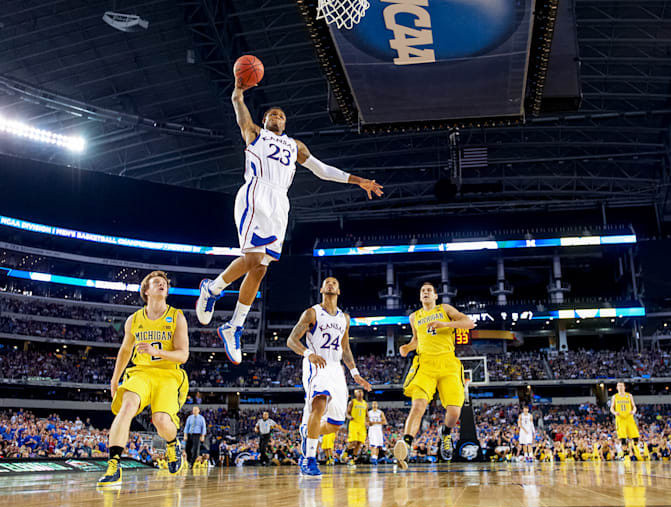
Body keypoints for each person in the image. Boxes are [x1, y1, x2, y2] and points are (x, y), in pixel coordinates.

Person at [194, 84, 384, 365]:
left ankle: (234, 325)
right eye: (271, 113)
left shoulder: (295, 146)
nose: (276, 116)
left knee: (260, 268)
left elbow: (322, 170)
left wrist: (359, 180)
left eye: (280, 115)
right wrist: (238, 89)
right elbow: (238, 106)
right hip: (257, 192)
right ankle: (212, 288)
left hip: (280, 203)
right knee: (254, 257)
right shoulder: (254, 133)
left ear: (285, 122)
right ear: (265, 120)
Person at [99, 271, 189, 486]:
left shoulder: (176, 316)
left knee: (160, 420)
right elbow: (124, 350)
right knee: (126, 408)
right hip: (141, 372)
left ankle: (172, 443)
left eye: (165, 283)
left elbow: (183, 355)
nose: (162, 285)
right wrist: (114, 379)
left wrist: (155, 352)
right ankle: (113, 465)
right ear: (146, 291)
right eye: (157, 282)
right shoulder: (134, 319)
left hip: (169, 374)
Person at [285, 276, 372, 477]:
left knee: (335, 424)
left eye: (335, 283)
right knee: (319, 403)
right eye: (327, 282)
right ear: (322, 289)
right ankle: (309, 458)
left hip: (335, 368)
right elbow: (291, 340)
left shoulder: (344, 318)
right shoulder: (312, 313)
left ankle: (307, 432)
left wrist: (355, 373)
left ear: (338, 291)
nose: (331, 284)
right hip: (316, 364)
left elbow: (346, 348)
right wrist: (309, 354)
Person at [394, 282, 476, 469]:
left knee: (454, 411)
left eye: (429, 291)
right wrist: (407, 347)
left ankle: (445, 433)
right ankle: (406, 445)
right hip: (425, 365)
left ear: (435, 296)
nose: (425, 293)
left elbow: (469, 323)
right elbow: (416, 340)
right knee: (418, 406)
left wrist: (445, 324)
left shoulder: (444, 309)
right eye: (422, 291)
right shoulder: (414, 317)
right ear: (420, 296)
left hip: (448, 363)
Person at [610, 382, 641, 461]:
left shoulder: (629, 395)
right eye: (618, 386)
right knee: (622, 438)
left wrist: (633, 411)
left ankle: (634, 450)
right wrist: (614, 412)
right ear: (617, 388)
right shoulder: (615, 397)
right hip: (620, 418)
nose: (620, 387)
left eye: (621, 385)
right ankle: (625, 454)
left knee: (635, 437)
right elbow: (612, 408)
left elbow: (634, 406)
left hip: (629, 417)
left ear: (624, 387)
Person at [346, 389, 368, 465]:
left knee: (359, 443)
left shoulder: (365, 404)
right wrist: (349, 417)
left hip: (362, 425)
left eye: (361, 391)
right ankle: (346, 451)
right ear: (355, 394)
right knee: (353, 442)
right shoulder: (352, 402)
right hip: (354, 423)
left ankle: (352, 458)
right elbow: (347, 413)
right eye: (358, 392)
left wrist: (367, 422)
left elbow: (367, 415)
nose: (360, 393)